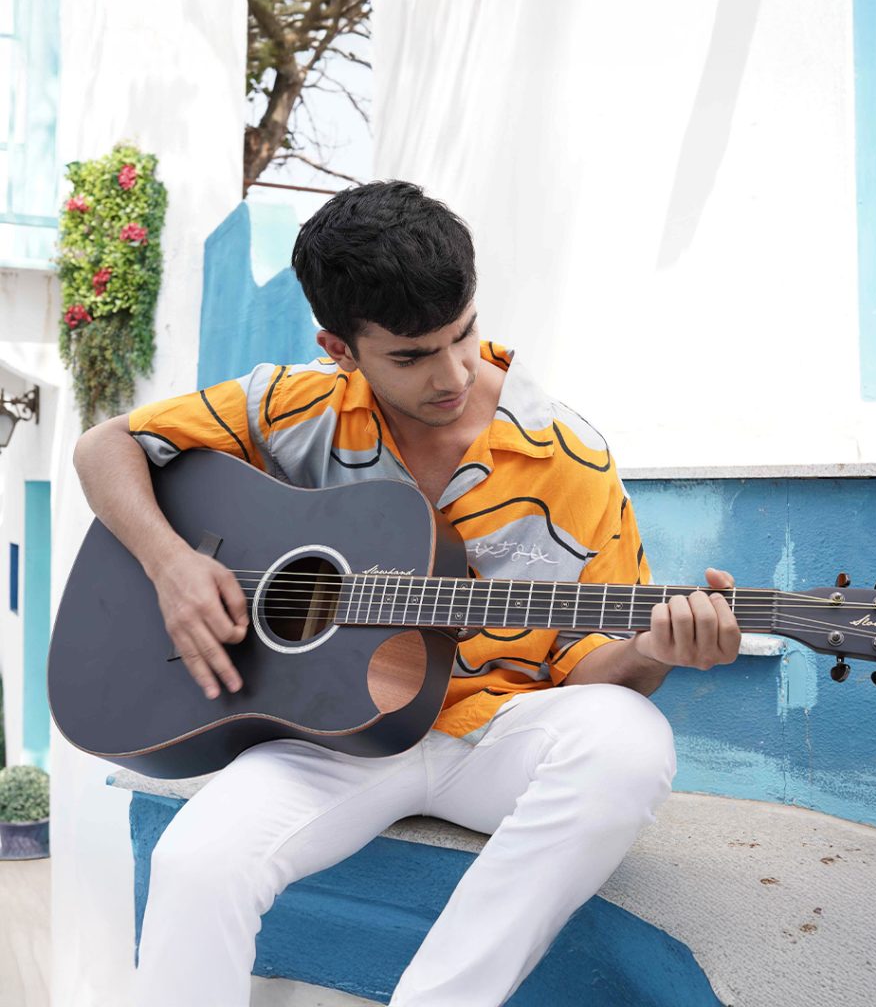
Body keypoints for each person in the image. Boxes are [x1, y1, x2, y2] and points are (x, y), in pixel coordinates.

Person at [73, 180, 741, 1007]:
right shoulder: (292, 407)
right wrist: (171, 565)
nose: (453, 373)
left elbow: (587, 677)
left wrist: (648, 651)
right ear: (340, 348)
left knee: (630, 741)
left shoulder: (568, 456)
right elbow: (107, 446)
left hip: (496, 734)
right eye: (413, 356)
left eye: (463, 336)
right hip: (335, 736)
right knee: (194, 863)